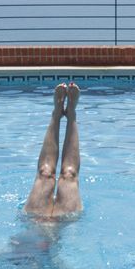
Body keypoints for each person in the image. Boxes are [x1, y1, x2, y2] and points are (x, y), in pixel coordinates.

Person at [24, 82, 83, 218]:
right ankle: (71, 115)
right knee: (68, 175)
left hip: (35, 219)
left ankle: (57, 114)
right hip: (64, 221)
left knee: (47, 174)